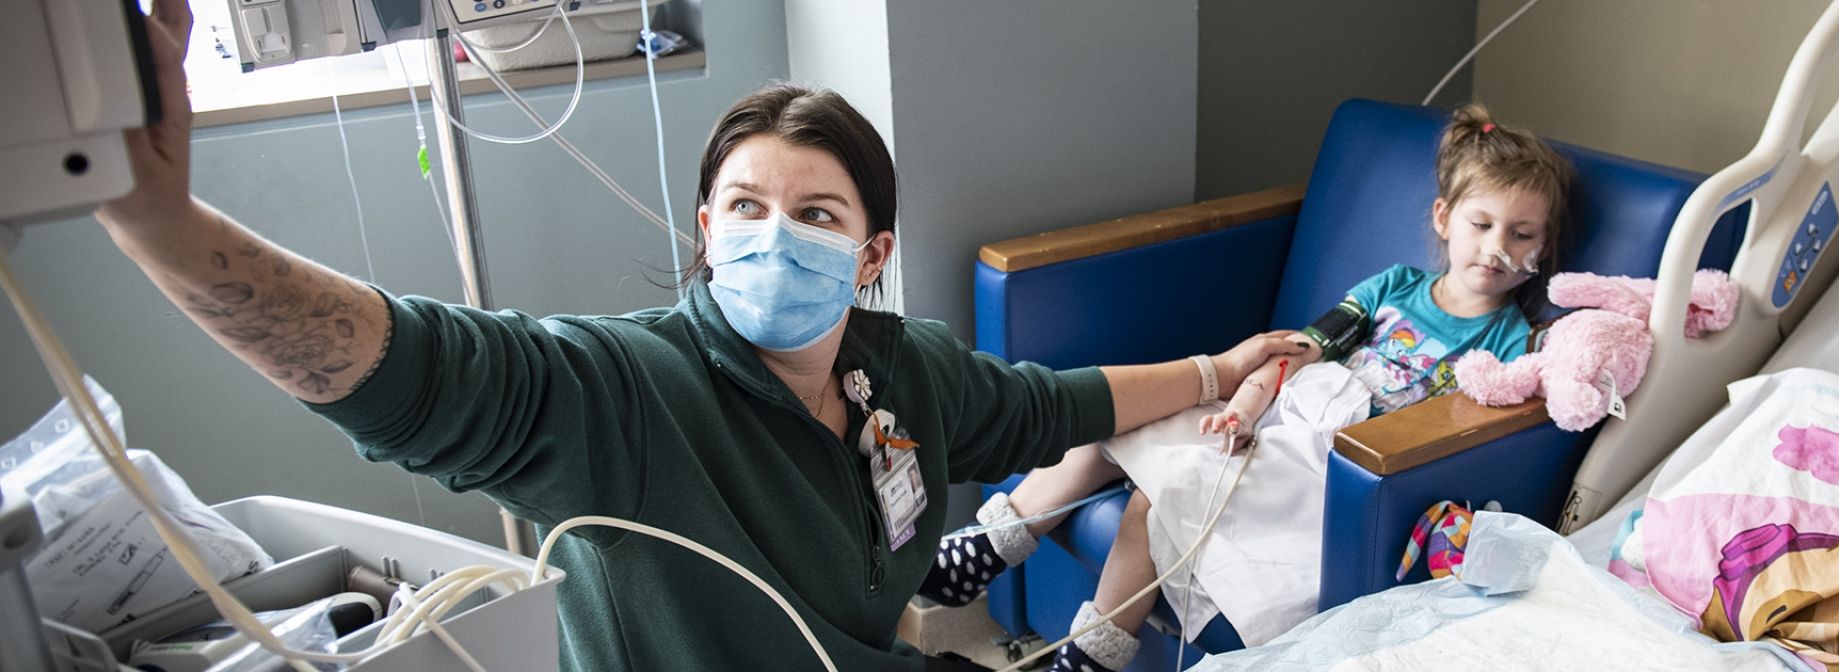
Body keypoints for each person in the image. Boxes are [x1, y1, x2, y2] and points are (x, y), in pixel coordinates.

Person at [97, 2, 1306, 670]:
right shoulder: (620, 394)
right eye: (748, 209)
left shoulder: (903, 374)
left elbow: (1051, 405)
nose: (776, 237)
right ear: (705, 231)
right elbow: (400, 368)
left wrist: (1216, 369)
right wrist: (161, 221)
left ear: (871, 254)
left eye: (817, 215)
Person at [917, 104, 1574, 672]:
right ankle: (986, 546)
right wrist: (1244, 406)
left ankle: (1087, 656)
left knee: (1152, 502)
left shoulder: (1512, 342)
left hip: (1338, 463)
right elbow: (1299, 349)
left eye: (1522, 235)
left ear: (1542, 250)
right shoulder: (1394, 288)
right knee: (1116, 422)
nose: (1495, 248)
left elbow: (1488, 427)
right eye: (1481, 224)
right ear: (1443, 217)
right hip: (1284, 411)